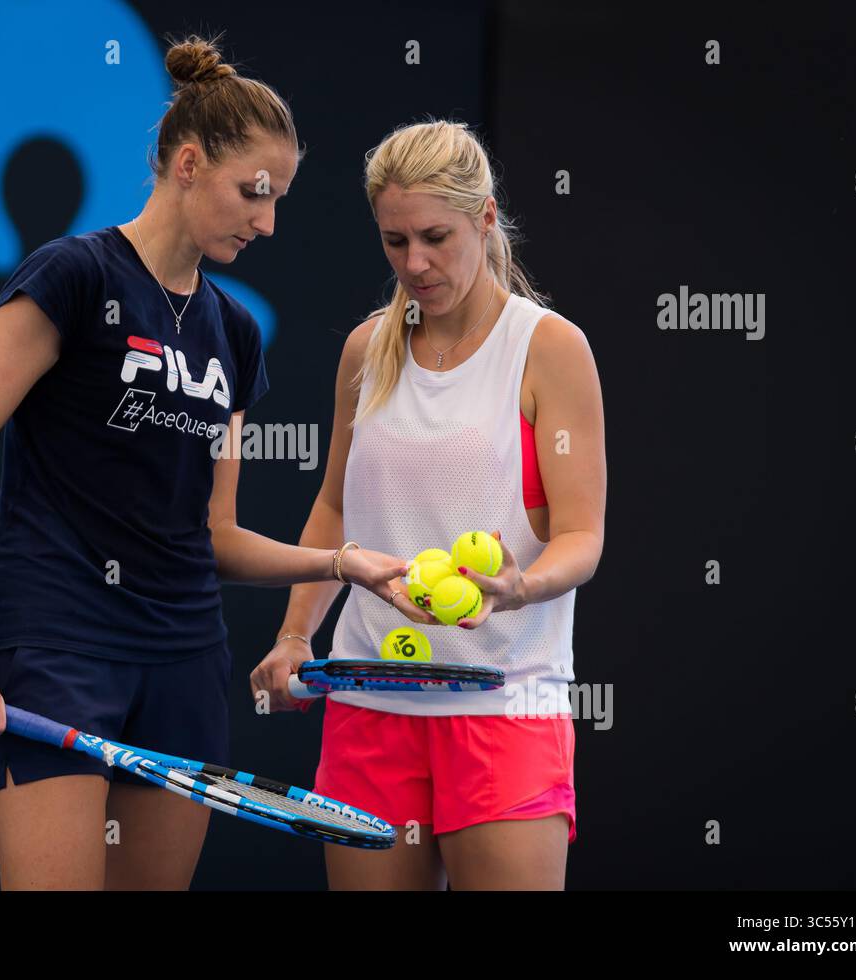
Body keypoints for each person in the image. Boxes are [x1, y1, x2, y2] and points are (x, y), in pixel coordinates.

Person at [0, 35, 426, 890]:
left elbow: (213, 534)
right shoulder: (72, 276)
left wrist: (344, 565)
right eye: (254, 192)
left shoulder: (236, 333)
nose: (268, 222)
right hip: (56, 645)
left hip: (184, 662)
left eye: (279, 199)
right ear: (188, 164)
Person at [252, 120, 606, 890]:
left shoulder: (550, 348)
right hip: (367, 703)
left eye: (436, 237)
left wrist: (520, 586)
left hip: (507, 708)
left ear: (484, 217)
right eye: (394, 241)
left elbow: (582, 536)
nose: (415, 263)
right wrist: (293, 636)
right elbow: (336, 510)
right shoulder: (364, 349)